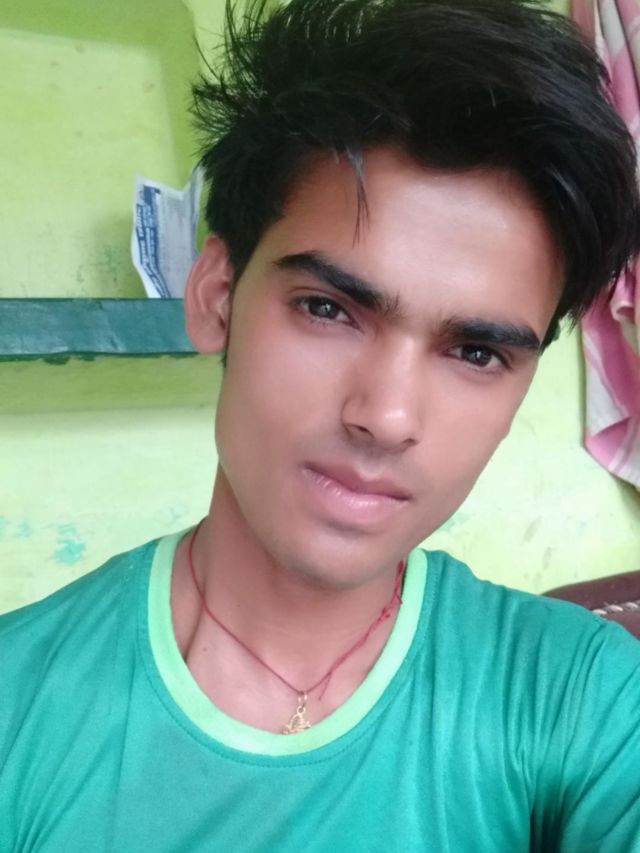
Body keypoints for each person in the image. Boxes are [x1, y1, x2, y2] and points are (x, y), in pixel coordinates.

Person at [2, 0, 640, 849]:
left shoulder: (586, 698)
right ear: (216, 296)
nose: (387, 416)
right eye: (327, 308)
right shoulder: (18, 699)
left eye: (477, 352)